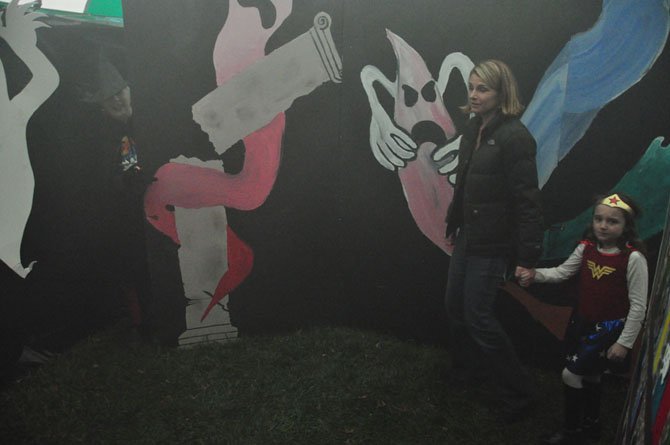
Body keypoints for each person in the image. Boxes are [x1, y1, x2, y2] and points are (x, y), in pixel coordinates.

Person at [444, 59, 544, 422]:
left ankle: (520, 395)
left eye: (482, 88)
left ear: (502, 93)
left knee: (478, 317)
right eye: (471, 87)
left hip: (493, 244)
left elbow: (527, 201)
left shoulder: (515, 137)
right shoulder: (474, 129)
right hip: (469, 235)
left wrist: (527, 256)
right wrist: (455, 220)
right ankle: (469, 373)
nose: (473, 94)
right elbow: (467, 183)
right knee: (456, 308)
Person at [520, 193, 648, 444]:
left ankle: (571, 433)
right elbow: (561, 272)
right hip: (582, 321)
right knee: (590, 375)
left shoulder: (632, 258)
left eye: (612, 221)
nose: (603, 225)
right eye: (599, 219)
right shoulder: (586, 248)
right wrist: (534, 275)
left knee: (570, 375)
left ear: (626, 226)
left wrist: (624, 342)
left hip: (609, 327)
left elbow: (639, 306)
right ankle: (591, 427)